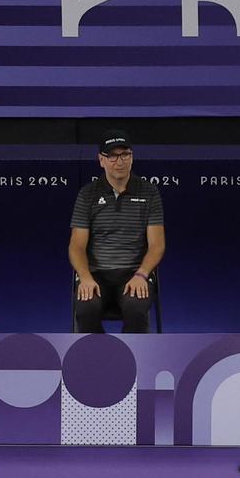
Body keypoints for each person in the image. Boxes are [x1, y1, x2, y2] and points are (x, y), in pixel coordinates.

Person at [69, 130, 165, 333]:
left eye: (125, 154)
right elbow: (76, 246)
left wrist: (142, 274)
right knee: (86, 308)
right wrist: (85, 277)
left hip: (134, 273)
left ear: (132, 158)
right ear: (101, 160)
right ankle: (96, 359)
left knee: (136, 308)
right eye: (112, 156)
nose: (119, 161)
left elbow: (157, 245)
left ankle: (134, 361)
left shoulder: (149, 192)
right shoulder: (87, 194)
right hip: (96, 275)